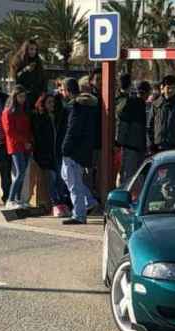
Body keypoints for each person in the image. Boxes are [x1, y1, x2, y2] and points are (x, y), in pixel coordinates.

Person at [60, 77, 100, 225]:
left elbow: (72, 130)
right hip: (84, 149)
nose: (61, 93)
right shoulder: (88, 105)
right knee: (67, 176)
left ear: (68, 91)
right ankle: (89, 201)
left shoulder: (76, 107)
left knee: (73, 183)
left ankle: (79, 215)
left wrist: (65, 148)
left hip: (74, 151)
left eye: (63, 90)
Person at [31, 93, 69, 217]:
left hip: (57, 153)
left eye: (53, 102)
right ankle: (55, 204)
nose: (51, 105)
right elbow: (38, 138)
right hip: (46, 155)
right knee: (51, 180)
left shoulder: (58, 116)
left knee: (60, 180)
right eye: (49, 103)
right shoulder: (40, 117)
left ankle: (62, 203)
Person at [1, 85, 33, 210]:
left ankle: (18, 199)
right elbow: (10, 131)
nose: (23, 99)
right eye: (20, 96)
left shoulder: (23, 110)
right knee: (19, 173)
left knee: (22, 173)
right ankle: (10, 199)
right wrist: (25, 141)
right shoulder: (8, 112)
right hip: (16, 145)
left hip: (26, 145)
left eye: (24, 96)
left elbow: (28, 128)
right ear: (14, 97)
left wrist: (29, 141)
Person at [116, 75, 151, 186]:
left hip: (131, 146)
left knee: (128, 175)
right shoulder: (137, 105)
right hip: (134, 147)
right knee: (130, 176)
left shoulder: (130, 102)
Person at [148, 75, 175, 154]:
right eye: (168, 88)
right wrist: (151, 144)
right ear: (163, 88)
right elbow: (150, 126)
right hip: (158, 146)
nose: (170, 90)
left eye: (173, 88)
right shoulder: (156, 105)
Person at [10, 40, 46, 110]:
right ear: (25, 49)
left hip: (37, 97)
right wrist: (25, 70)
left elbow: (43, 78)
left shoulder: (38, 62)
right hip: (23, 98)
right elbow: (16, 78)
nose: (33, 51)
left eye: (35, 49)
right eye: (31, 49)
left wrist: (43, 93)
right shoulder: (18, 61)